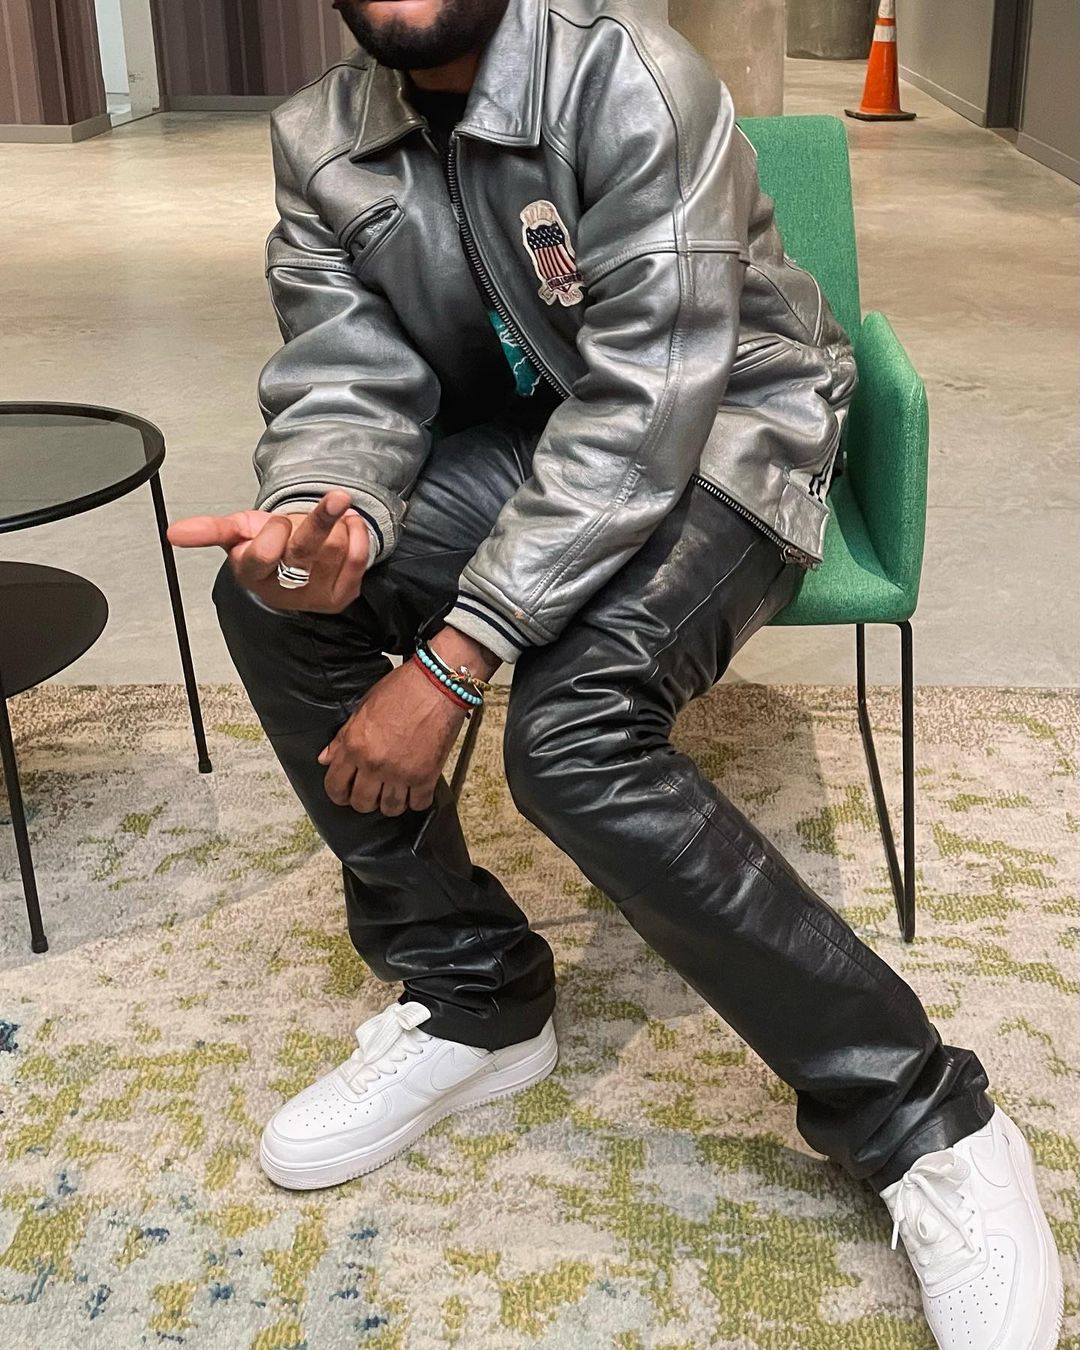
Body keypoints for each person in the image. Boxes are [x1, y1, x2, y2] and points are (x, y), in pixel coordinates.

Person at [168, 1, 1063, 1345]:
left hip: (729, 425)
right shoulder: (323, 140)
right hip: (537, 448)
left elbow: (652, 396)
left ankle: (925, 1117)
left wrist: (453, 658)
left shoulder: (627, 74)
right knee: (269, 600)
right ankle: (475, 991)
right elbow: (348, 381)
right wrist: (326, 514)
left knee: (568, 737)